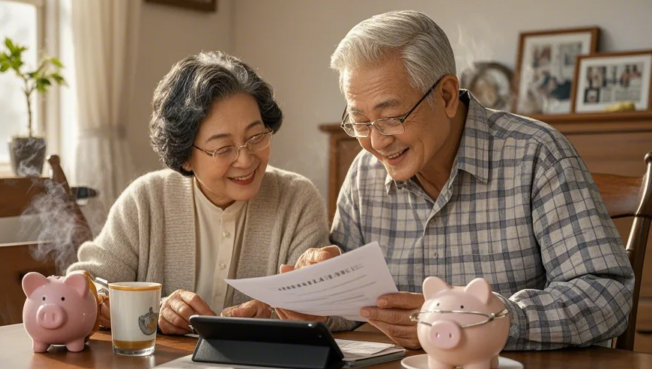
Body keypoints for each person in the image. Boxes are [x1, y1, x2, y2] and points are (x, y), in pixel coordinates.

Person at [286, 10, 634, 350]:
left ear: (448, 96)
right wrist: (315, 301)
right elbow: (354, 309)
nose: (376, 142)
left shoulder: (536, 154)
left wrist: (483, 321)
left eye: (391, 118)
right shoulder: (365, 174)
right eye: (360, 122)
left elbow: (608, 297)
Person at [67, 51, 331, 334]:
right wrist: (154, 309)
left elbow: (332, 309)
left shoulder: (298, 199)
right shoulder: (146, 200)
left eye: (256, 137)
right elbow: (84, 288)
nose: (245, 160)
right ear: (185, 157)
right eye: (223, 147)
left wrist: (276, 314)